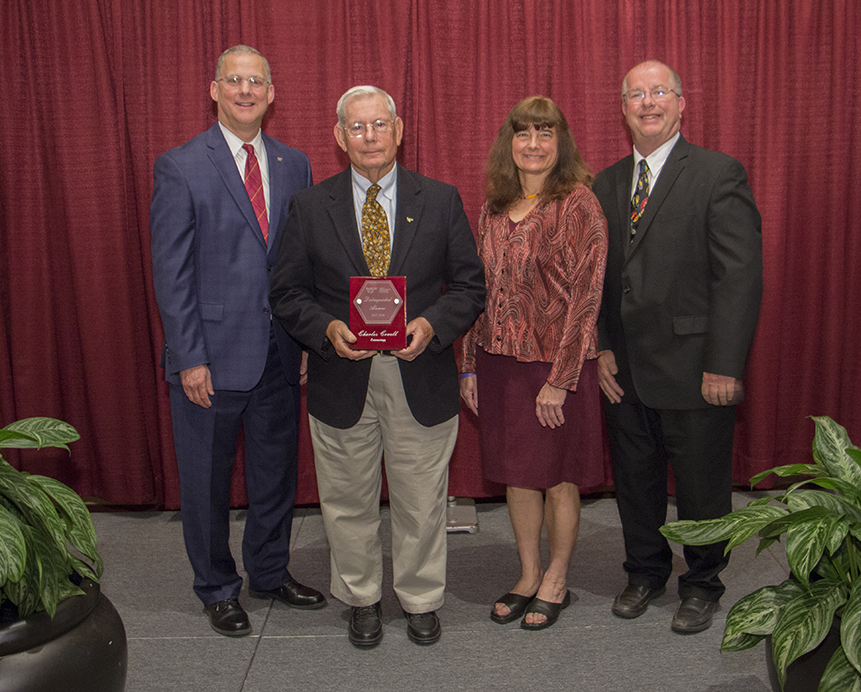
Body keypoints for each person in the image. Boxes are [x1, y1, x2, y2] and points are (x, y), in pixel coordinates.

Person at [269, 85, 485, 649]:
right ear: (340, 137)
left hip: (420, 371)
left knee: (420, 499)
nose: (369, 137)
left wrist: (434, 326)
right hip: (342, 374)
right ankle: (361, 596)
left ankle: (420, 599)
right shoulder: (312, 206)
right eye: (357, 127)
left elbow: (469, 286)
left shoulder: (439, 199)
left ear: (400, 129)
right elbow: (287, 292)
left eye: (379, 125)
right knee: (346, 499)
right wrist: (326, 331)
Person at [150, 45, 325, 637]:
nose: (246, 91)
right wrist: (189, 356)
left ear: (272, 93)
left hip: (279, 354)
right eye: (235, 80)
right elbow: (170, 274)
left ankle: (270, 572)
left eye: (256, 82)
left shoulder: (295, 163)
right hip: (210, 360)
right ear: (214, 89)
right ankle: (217, 587)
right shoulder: (180, 165)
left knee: (276, 475)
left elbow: (299, 264)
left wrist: (303, 344)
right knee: (206, 482)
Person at [592, 60, 763, 633]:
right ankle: (644, 572)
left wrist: (724, 364)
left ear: (681, 102)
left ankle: (702, 583)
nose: (647, 102)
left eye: (658, 91)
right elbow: (598, 277)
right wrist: (600, 347)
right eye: (635, 94)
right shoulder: (608, 182)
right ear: (622, 108)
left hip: (696, 370)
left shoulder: (718, 174)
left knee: (701, 488)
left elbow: (739, 278)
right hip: (625, 370)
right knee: (635, 482)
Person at [460, 96, 607, 631]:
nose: (534, 144)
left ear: (560, 143)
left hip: (554, 369)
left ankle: (557, 578)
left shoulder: (579, 204)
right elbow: (480, 290)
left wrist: (560, 381)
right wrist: (469, 365)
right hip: (499, 365)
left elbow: (587, 300)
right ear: (510, 144)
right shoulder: (494, 207)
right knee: (518, 476)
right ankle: (527, 573)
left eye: (546, 134)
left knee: (558, 477)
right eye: (524, 134)